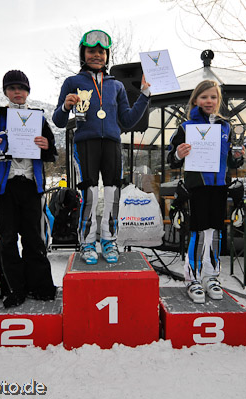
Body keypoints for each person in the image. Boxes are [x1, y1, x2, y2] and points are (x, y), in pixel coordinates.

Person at [52, 29, 150, 265]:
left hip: (112, 144)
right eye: (91, 51)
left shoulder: (116, 86)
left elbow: (126, 120)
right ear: (83, 54)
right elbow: (58, 121)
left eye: (101, 52)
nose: (96, 55)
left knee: (112, 194)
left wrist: (145, 94)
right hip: (86, 143)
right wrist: (65, 107)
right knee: (90, 194)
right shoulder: (72, 82)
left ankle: (109, 239)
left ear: (107, 56)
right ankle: (87, 242)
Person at [0, 69, 57, 308]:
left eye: (21, 88)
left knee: (34, 238)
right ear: (6, 92)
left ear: (27, 92)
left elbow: (52, 152)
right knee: (8, 240)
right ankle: (14, 289)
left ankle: (40, 286)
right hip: (5, 187)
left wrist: (45, 145)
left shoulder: (39, 118)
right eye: (12, 88)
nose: (17, 92)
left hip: (32, 186)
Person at [167, 80, 244, 303]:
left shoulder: (226, 126)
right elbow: (171, 159)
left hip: (219, 186)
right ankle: (193, 277)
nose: (209, 101)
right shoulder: (185, 128)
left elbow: (230, 160)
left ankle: (212, 276)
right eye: (204, 97)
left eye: (213, 97)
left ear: (218, 100)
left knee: (216, 231)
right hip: (196, 187)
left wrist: (236, 158)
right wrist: (180, 154)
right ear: (195, 100)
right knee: (199, 231)